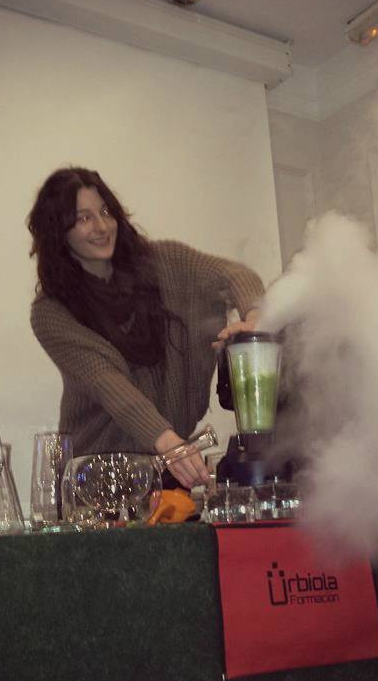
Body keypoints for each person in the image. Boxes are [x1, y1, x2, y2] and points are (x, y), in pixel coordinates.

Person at [28, 167, 263, 488]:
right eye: (84, 218)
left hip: (164, 465)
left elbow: (234, 275)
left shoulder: (165, 261)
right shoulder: (51, 311)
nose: (101, 226)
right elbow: (108, 384)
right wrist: (168, 443)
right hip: (95, 478)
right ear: (59, 230)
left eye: (105, 212)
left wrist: (254, 319)